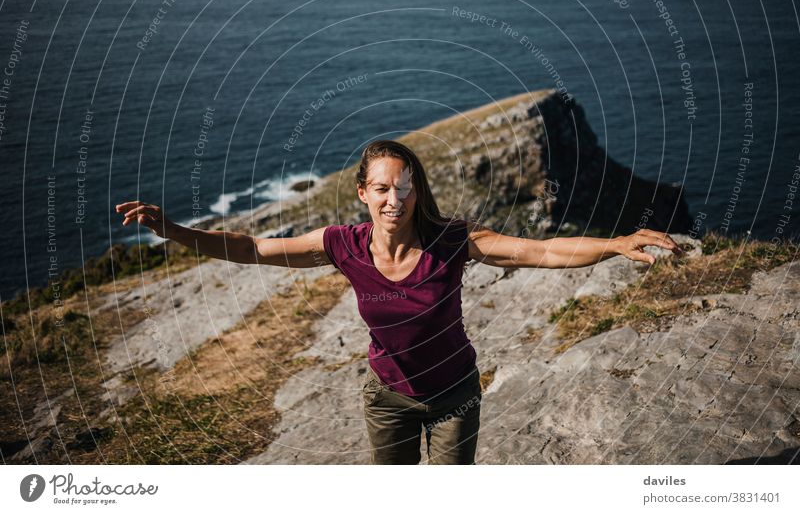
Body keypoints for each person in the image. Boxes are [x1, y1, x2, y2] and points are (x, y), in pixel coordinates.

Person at [116, 139, 683, 465]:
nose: (396, 198)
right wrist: (175, 230)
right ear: (363, 192)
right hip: (387, 399)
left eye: (405, 185)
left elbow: (541, 250)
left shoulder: (452, 241)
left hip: (454, 397)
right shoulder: (341, 245)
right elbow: (253, 246)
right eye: (383, 187)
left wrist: (615, 243)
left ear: (418, 188)